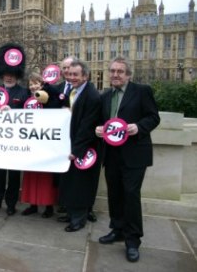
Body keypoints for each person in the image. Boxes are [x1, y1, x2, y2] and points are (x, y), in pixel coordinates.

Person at [96, 56, 160, 262]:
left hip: (134, 154)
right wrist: (98, 129)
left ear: (128, 75)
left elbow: (153, 117)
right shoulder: (105, 96)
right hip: (112, 154)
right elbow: (102, 122)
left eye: (120, 71)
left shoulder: (142, 91)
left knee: (131, 195)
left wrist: (139, 127)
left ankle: (133, 240)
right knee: (114, 193)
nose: (115, 75)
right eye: (112, 71)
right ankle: (117, 230)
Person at [0, 43, 28, 216]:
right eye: (5, 75)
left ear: (17, 75)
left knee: (14, 175)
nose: (8, 78)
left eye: (12, 75)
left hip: (16, 141)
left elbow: (29, 115)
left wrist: (14, 112)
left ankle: (11, 203)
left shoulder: (24, 93)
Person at [58, 59, 101, 233]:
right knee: (71, 182)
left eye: (76, 74)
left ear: (85, 76)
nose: (71, 77)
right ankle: (70, 213)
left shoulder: (92, 95)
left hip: (84, 148)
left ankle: (79, 219)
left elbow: (87, 127)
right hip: (73, 144)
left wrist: (76, 151)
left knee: (81, 184)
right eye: (69, 74)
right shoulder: (74, 91)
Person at [20, 72, 65, 218]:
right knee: (31, 175)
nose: (33, 87)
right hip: (31, 143)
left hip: (47, 143)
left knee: (46, 176)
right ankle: (33, 204)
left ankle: (48, 206)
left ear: (42, 84)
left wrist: (47, 90)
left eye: (36, 83)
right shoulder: (26, 98)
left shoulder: (50, 97)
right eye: (31, 84)